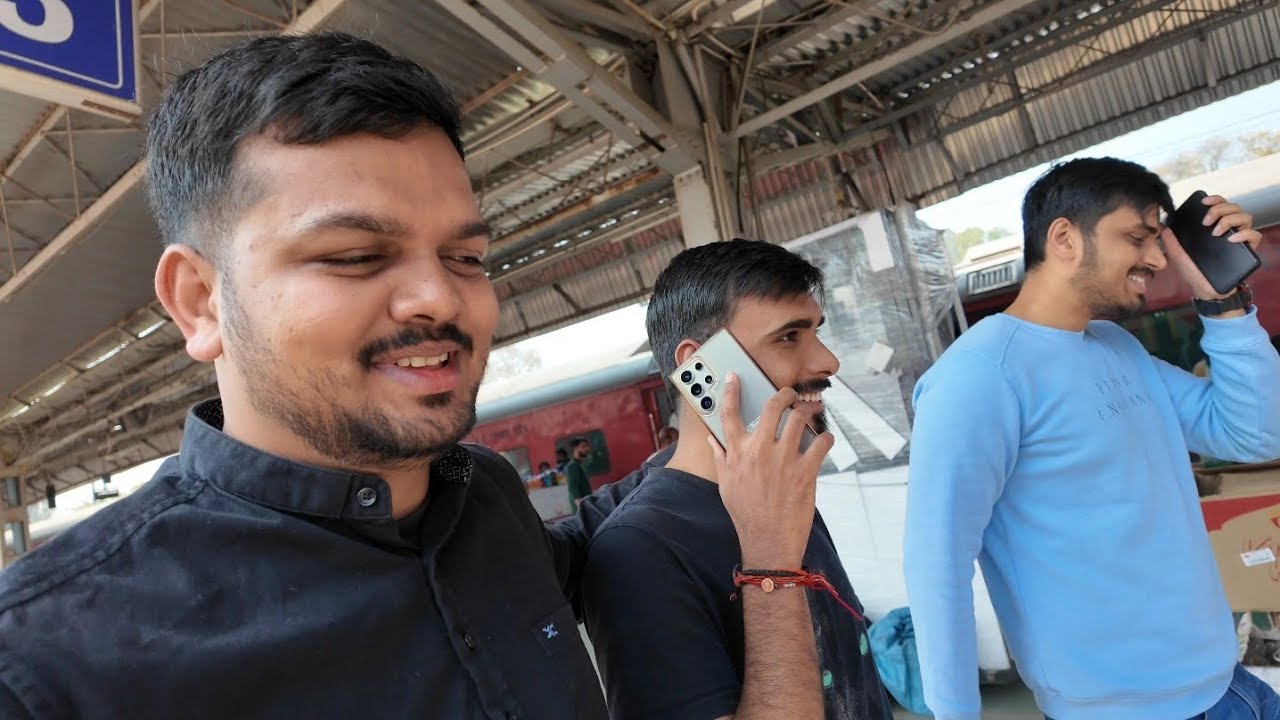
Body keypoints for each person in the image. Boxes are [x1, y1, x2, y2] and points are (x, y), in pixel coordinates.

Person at [0, 32, 663, 719]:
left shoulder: (480, 491)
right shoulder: (47, 667)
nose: (439, 296)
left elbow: (579, 558)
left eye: (465, 257)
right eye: (353, 255)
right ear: (200, 303)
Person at [904, 157, 1280, 720]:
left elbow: (1254, 434)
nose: (1157, 259)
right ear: (1064, 239)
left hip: (1225, 684)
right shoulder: (978, 376)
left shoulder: (1117, 347)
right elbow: (938, 564)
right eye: (1138, 237)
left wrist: (1223, 304)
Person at [581, 239, 895, 720]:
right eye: (789, 337)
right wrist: (770, 560)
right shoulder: (638, 550)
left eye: (816, 332)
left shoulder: (779, 486)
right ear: (700, 366)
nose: (828, 361)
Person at [565, 436, 594, 507]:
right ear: (575, 448)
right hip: (582, 507)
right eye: (583, 446)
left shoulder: (580, 464)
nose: (587, 449)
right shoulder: (572, 466)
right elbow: (573, 487)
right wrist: (581, 507)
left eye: (587, 446)